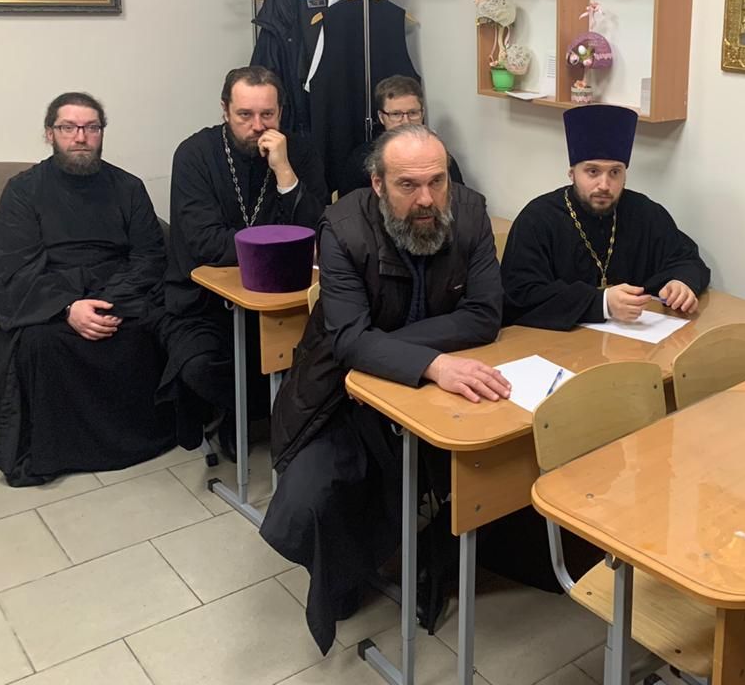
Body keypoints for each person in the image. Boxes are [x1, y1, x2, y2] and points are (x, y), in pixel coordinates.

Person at [261, 124, 505, 653]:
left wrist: (395, 352)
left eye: (437, 182)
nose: (427, 199)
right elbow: (349, 340)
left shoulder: (469, 212)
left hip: (429, 388)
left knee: (495, 464)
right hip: (339, 391)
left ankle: (436, 557)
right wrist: (429, 362)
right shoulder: (343, 227)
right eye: (408, 185)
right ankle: (344, 578)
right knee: (308, 499)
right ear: (377, 184)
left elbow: (485, 316)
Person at [0, 92, 175, 486]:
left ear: (102, 133)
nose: (80, 136)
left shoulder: (128, 187)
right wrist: (68, 308)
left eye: (91, 127)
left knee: (153, 326)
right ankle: (59, 452)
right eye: (68, 127)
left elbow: (149, 255)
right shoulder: (22, 191)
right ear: (49, 134)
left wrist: (110, 301)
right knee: (38, 342)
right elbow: (15, 266)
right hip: (51, 294)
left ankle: (139, 439)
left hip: (120, 292)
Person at [160, 66, 328, 453]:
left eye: (267, 114)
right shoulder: (194, 154)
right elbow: (204, 242)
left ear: (281, 112)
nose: (257, 126)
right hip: (205, 302)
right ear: (225, 110)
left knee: (323, 352)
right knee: (199, 365)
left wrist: (284, 172)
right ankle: (242, 414)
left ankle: (282, 417)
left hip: (284, 297)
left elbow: (317, 233)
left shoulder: (299, 151)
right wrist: (282, 246)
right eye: (244, 115)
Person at [501, 104, 710, 330]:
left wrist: (680, 282)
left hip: (633, 343)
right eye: (593, 171)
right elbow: (520, 295)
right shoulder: (538, 219)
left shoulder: (645, 212)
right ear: (572, 174)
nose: (604, 184)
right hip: (555, 343)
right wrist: (602, 303)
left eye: (615, 172)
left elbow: (685, 259)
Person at [334, 75, 466, 197]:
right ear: (381, 117)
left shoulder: (439, 156)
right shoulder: (360, 160)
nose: (406, 122)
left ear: (422, 113)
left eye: (413, 113)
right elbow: (349, 208)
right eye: (396, 114)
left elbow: (460, 201)